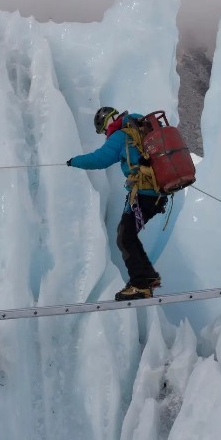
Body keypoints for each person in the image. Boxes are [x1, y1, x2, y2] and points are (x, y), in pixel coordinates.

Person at [67, 107, 168, 301]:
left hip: (144, 193)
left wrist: (74, 162)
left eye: (104, 130)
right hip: (159, 193)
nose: (106, 134)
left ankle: (140, 284)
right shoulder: (141, 127)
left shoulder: (121, 135)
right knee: (128, 234)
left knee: (125, 236)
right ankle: (148, 277)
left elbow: (100, 159)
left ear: (108, 122)